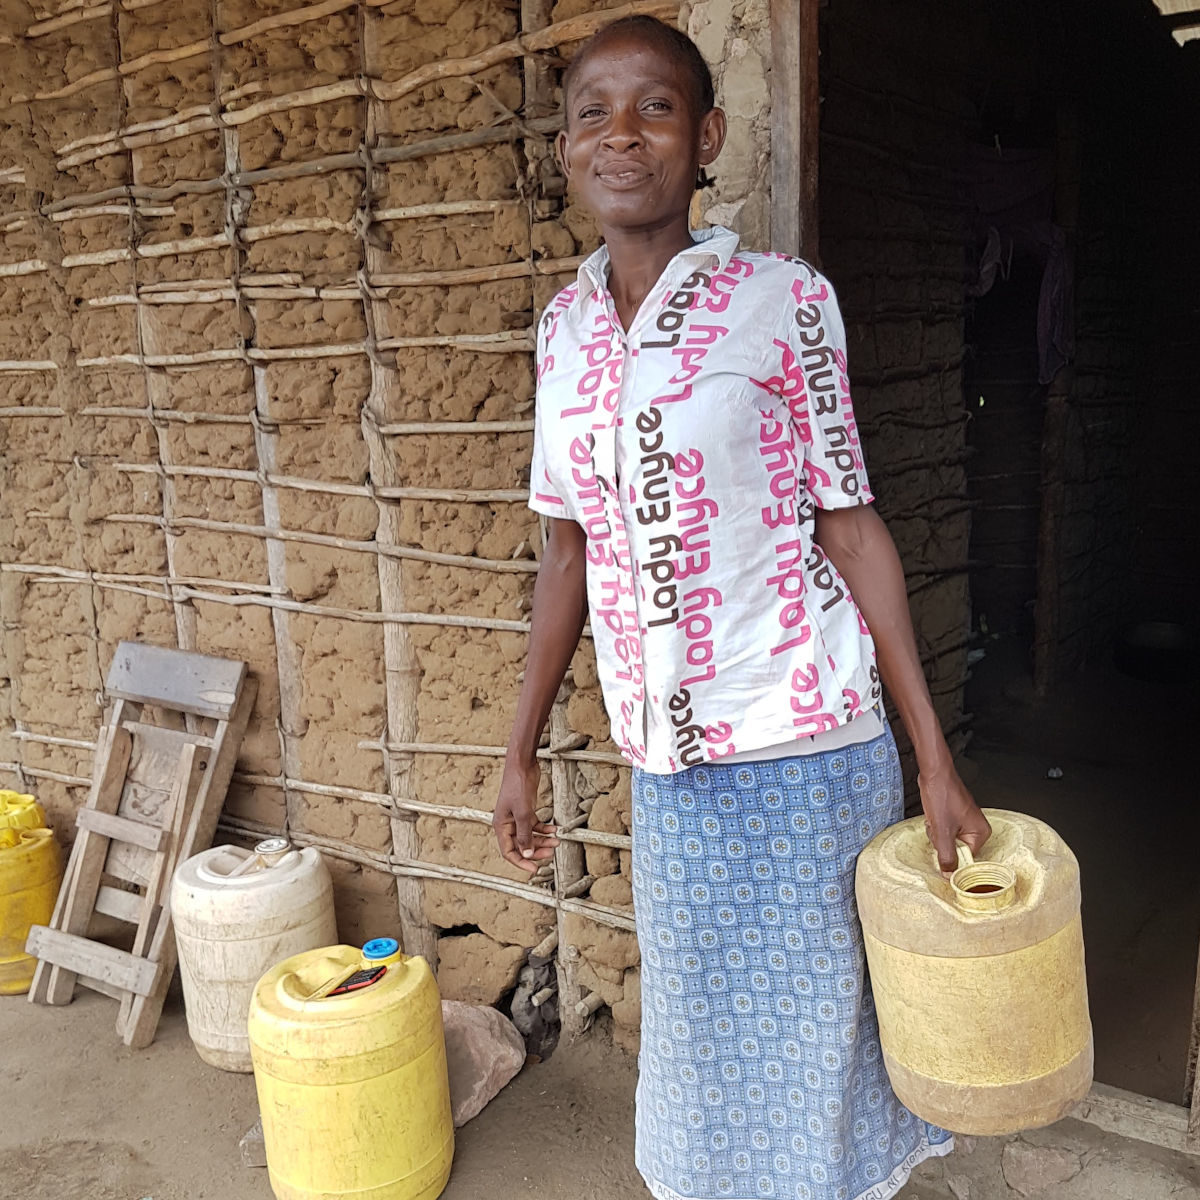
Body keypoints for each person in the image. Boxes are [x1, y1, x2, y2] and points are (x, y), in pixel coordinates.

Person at [493, 16, 991, 1200]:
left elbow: (851, 523)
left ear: (707, 135)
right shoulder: (561, 335)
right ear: (565, 148)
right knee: (702, 1056)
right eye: (592, 112)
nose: (622, 133)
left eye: (656, 107)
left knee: (823, 1053)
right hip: (669, 767)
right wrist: (514, 748)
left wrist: (933, 755)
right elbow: (564, 552)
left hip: (810, 753)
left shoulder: (784, 304)